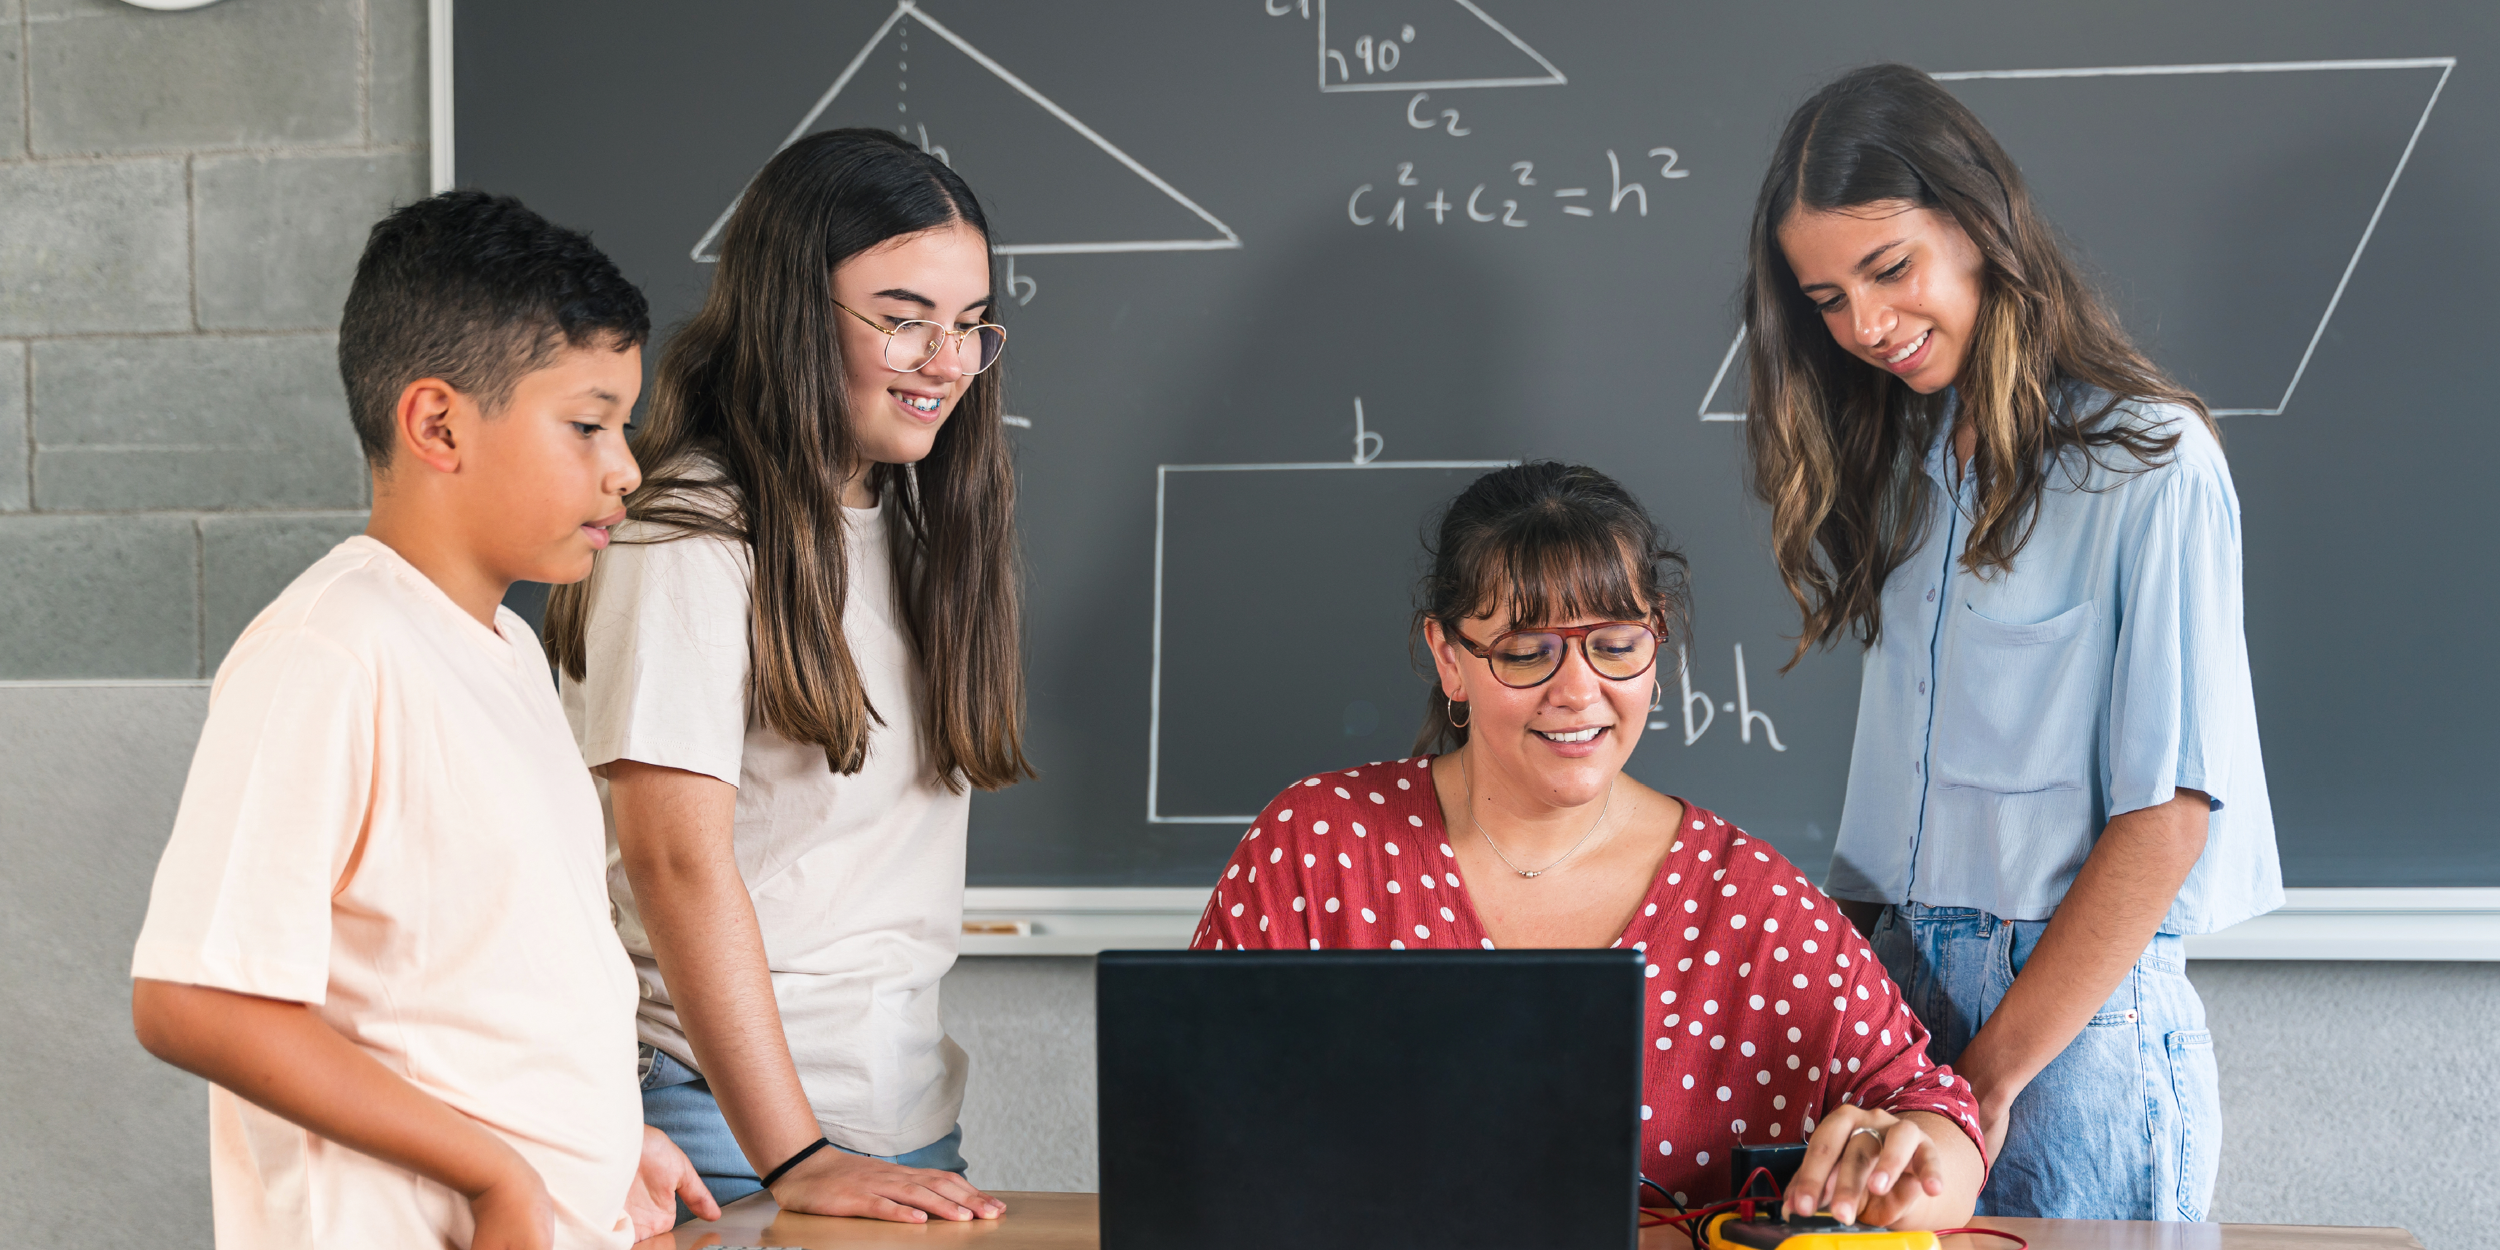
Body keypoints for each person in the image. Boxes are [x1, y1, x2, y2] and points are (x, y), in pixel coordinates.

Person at [1740, 64, 2279, 1221]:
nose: (1866, 325)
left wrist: (1976, 1087)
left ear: (1979, 222)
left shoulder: (2151, 461)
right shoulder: (1904, 470)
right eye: (1826, 297)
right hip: (1897, 1001)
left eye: (1888, 269)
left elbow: (2168, 817)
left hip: (2070, 1034)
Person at [127, 191, 717, 1249]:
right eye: (587, 424)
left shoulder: (511, 652)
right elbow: (194, 997)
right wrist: (499, 1177)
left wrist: (601, 1134)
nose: (625, 465)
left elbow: (481, 981)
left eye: (622, 425)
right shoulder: (331, 649)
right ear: (438, 422)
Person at [1194, 462, 1986, 1230]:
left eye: (1614, 644)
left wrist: (1901, 1167)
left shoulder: (1751, 903)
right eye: (1526, 651)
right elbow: (1185, 1121)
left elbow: (1936, 1116)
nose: (1577, 691)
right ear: (1449, 659)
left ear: (1657, 645)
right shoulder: (1317, 847)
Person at [543, 129, 1027, 1226]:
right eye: (903, 318)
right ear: (792, 310)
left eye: (967, 325)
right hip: (736, 1129)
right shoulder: (689, 535)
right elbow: (674, 860)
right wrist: (798, 1150)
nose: (945, 360)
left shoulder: (911, 524)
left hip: (899, 1117)